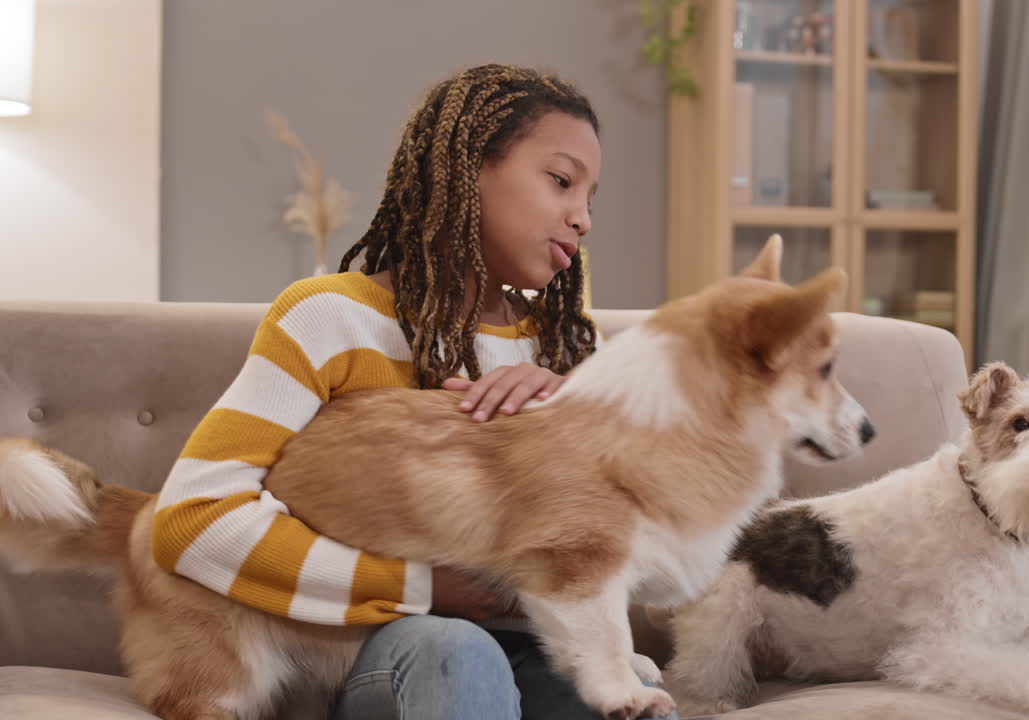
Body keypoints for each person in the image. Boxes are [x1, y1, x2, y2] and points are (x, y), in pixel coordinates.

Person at [150, 62, 676, 720]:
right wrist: (417, 587)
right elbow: (193, 520)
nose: (583, 219)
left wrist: (575, 409)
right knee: (453, 652)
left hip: (534, 645)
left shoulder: (571, 352)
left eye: (591, 199)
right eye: (562, 181)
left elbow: (637, 567)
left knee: (630, 697)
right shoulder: (331, 318)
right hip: (377, 653)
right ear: (467, 169)